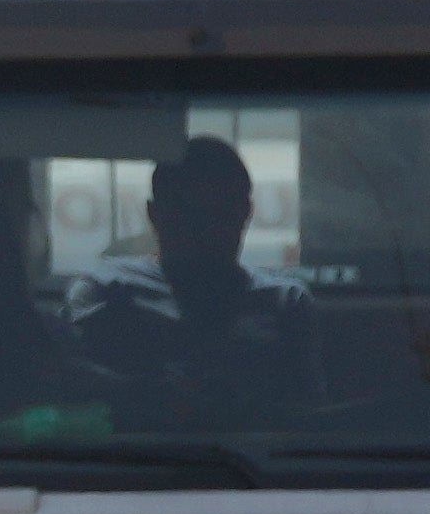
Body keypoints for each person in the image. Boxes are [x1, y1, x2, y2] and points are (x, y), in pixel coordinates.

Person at [61, 137, 306, 401]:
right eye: (188, 216)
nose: (206, 232)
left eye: (221, 215)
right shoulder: (106, 292)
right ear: (155, 215)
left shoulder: (286, 302)